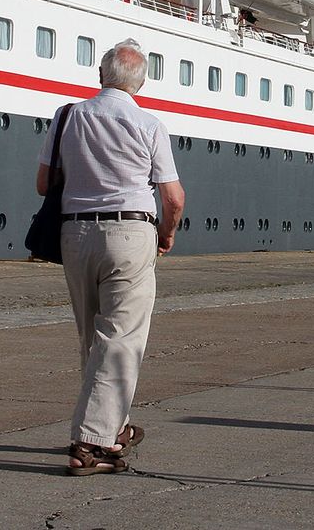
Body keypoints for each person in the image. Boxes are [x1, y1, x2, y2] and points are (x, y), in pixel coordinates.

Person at [36, 39, 185, 475]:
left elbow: (44, 184)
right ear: (141, 84)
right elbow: (173, 196)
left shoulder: (68, 116)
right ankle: (91, 444)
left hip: (75, 232)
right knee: (121, 337)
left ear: (101, 75)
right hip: (130, 231)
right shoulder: (148, 123)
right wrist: (167, 232)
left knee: (94, 336)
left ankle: (111, 426)